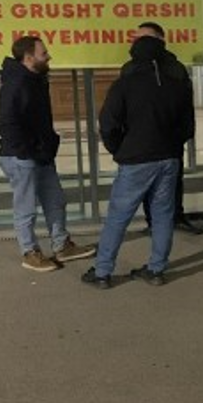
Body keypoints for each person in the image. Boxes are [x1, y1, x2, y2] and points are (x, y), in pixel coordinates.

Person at [81, 31, 195, 290]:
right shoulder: (177, 85)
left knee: (118, 216)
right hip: (169, 157)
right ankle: (156, 270)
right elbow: (188, 127)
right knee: (163, 214)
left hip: (136, 159)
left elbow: (108, 123)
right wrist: (172, 145)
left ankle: (102, 272)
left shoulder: (124, 85)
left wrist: (119, 149)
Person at [0, 36, 96, 272]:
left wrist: (46, 145)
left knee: (56, 201)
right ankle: (29, 252)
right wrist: (27, 151)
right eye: (43, 53)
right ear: (28, 58)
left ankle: (62, 245)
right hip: (22, 156)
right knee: (26, 207)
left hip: (40, 153)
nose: (49, 56)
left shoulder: (36, 79)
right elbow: (7, 123)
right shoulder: (16, 83)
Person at [135, 22, 203, 236]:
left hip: (171, 137)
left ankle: (176, 217)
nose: (141, 43)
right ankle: (152, 221)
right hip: (142, 139)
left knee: (174, 180)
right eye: (138, 39)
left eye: (147, 38)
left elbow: (185, 105)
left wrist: (185, 132)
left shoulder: (175, 68)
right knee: (147, 182)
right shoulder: (132, 68)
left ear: (161, 40)